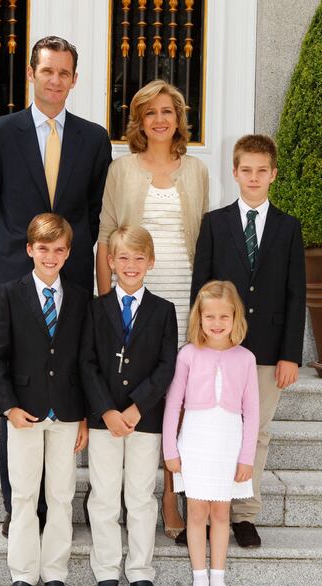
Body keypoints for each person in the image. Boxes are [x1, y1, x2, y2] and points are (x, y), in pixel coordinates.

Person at [0, 35, 111, 533]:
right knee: (18, 393)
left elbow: (92, 211)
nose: (55, 80)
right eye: (46, 70)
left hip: (69, 283)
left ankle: (57, 504)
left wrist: (71, 267)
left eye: (64, 73)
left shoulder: (94, 139)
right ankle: (19, 508)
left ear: (75, 79)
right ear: (31, 73)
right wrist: (8, 269)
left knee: (65, 386)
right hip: (16, 282)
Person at [96, 79, 209, 538]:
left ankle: (169, 494)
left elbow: (205, 239)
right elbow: (106, 237)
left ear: (179, 118)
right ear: (139, 121)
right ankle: (127, 494)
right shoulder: (121, 170)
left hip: (183, 296)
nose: (161, 119)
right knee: (140, 389)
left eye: (168, 111)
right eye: (151, 113)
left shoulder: (197, 170)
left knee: (176, 399)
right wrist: (106, 305)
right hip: (133, 295)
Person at [190, 134, 306, 547]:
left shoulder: (289, 228)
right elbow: (201, 289)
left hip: (268, 351)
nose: (253, 177)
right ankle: (204, 508)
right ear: (234, 172)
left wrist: (290, 354)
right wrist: (198, 345)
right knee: (211, 427)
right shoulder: (215, 223)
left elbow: (296, 293)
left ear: (273, 174)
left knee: (255, 432)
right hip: (218, 348)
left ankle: (243, 513)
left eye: (262, 171)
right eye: (246, 170)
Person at [0, 213, 89, 586]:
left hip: (65, 412)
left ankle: (55, 574)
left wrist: (84, 415)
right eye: (43, 248)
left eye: (59, 249)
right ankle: (22, 575)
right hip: (24, 413)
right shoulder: (9, 293)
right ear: (30, 249)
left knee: (62, 495)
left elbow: (85, 360)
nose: (51, 256)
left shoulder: (81, 298)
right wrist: (9, 407)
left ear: (68, 253)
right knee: (25, 494)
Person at [80, 226, 178, 586]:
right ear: (110, 262)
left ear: (150, 262)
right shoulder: (94, 308)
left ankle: (140, 572)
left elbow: (166, 365)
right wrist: (106, 409)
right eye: (123, 258)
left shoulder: (164, 311)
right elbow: (86, 363)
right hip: (105, 420)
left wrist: (138, 406)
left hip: (144, 420)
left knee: (140, 497)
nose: (131, 265)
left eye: (139, 258)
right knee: (104, 497)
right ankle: (106, 572)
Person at [163, 280, 259, 586]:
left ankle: (219, 580)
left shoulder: (245, 358)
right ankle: (199, 582)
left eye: (224, 317)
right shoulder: (188, 355)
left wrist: (246, 457)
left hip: (228, 443)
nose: (216, 324)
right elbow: (173, 403)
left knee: (221, 512)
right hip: (195, 440)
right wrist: (170, 450)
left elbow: (253, 411)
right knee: (197, 512)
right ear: (198, 319)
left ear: (236, 318)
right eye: (209, 317)